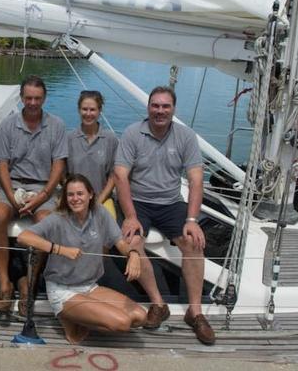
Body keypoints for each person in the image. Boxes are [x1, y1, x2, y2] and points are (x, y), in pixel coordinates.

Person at [114, 85, 215, 345]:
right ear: (148, 107)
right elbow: (121, 176)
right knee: (132, 243)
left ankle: (195, 312)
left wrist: (192, 221)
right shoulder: (132, 134)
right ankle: (159, 305)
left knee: (193, 243)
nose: (160, 111)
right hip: (138, 202)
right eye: (155, 106)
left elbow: (195, 180)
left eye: (165, 106)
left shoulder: (185, 136)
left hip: (171, 203)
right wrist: (130, 215)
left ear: (173, 109)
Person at [17, 174, 145, 344]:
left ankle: (80, 317)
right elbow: (23, 237)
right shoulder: (57, 218)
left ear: (91, 194)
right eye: (70, 195)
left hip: (90, 287)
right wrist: (59, 249)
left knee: (140, 316)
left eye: (80, 193)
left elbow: (120, 243)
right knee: (123, 323)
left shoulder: (100, 214)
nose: (75, 199)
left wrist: (133, 254)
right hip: (63, 290)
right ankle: (70, 318)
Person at [0, 75, 67, 315]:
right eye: (28, 98)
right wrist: (12, 197)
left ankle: (30, 285)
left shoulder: (56, 126)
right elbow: (2, 165)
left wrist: (44, 195)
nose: (33, 102)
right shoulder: (8, 126)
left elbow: (59, 165)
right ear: (22, 98)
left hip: (43, 187)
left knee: (46, 222)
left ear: (44, 98)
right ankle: (5, 283)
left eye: (37, 98)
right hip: (12, 185)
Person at [66, 90, 118, 218]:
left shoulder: (111, 139)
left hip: (101, 198)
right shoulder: (69, 139)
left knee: (109, 222)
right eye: (84, 109)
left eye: (92, 109)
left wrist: (98, 201)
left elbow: (113, 176)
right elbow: (62, 175)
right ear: (79, 110)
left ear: (100, 111)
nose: (88, 114)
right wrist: (75, 198)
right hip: (73, 199)